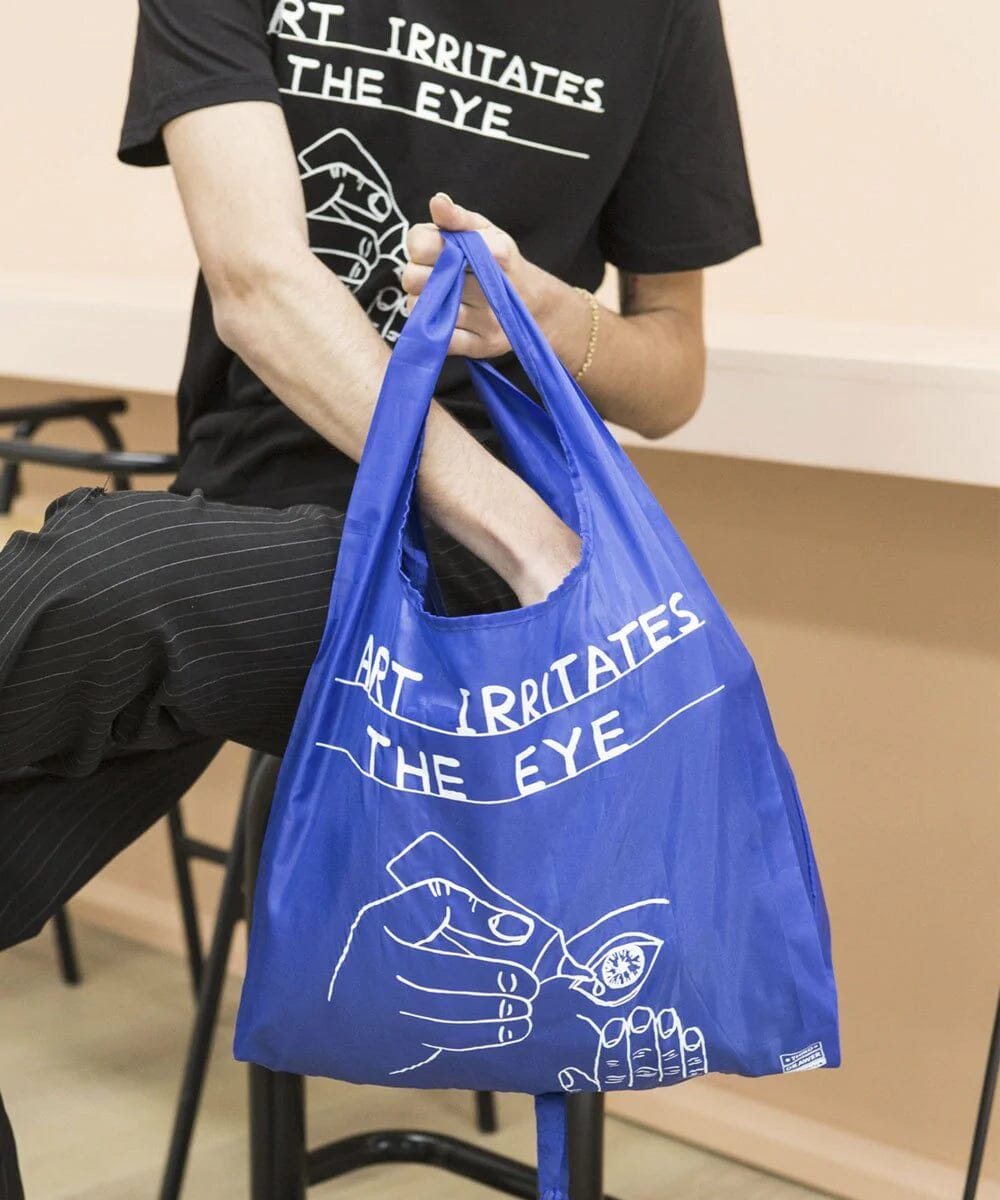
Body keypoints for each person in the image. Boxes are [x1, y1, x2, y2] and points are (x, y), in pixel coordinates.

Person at [0, 0, 759, 1190]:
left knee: (99, 574)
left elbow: (671, 372)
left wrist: (552, 320)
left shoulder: (656, 15)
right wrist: (525, 533)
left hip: (472, 591)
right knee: (117, 581)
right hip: (256, 536)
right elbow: (256, 282)